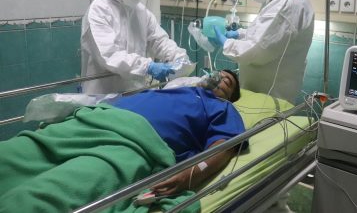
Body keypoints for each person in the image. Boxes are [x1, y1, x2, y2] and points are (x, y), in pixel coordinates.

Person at [0, 70, 246, 212]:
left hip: (134, 143)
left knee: (48, 193)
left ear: (230, 96)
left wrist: (190, 174)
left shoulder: (221, 108)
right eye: (218, 73)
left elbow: (224, 148)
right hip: (92, 122)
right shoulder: (173, 88)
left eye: (228, 81)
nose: (220, 77)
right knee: (11, 155)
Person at [213, 0, 314, 104]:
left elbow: (257, 50)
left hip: (271, 93)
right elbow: (267, 35)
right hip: (261, 91)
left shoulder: (286, 6)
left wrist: (226, 43)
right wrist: (240, 34)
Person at [81, 0, 189, 94]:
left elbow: (159, 40)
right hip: (104, 95)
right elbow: (110, 56)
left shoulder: (141, 12)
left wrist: (177, 56)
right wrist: (148, 66)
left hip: (135, 91)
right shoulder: (99, 10)